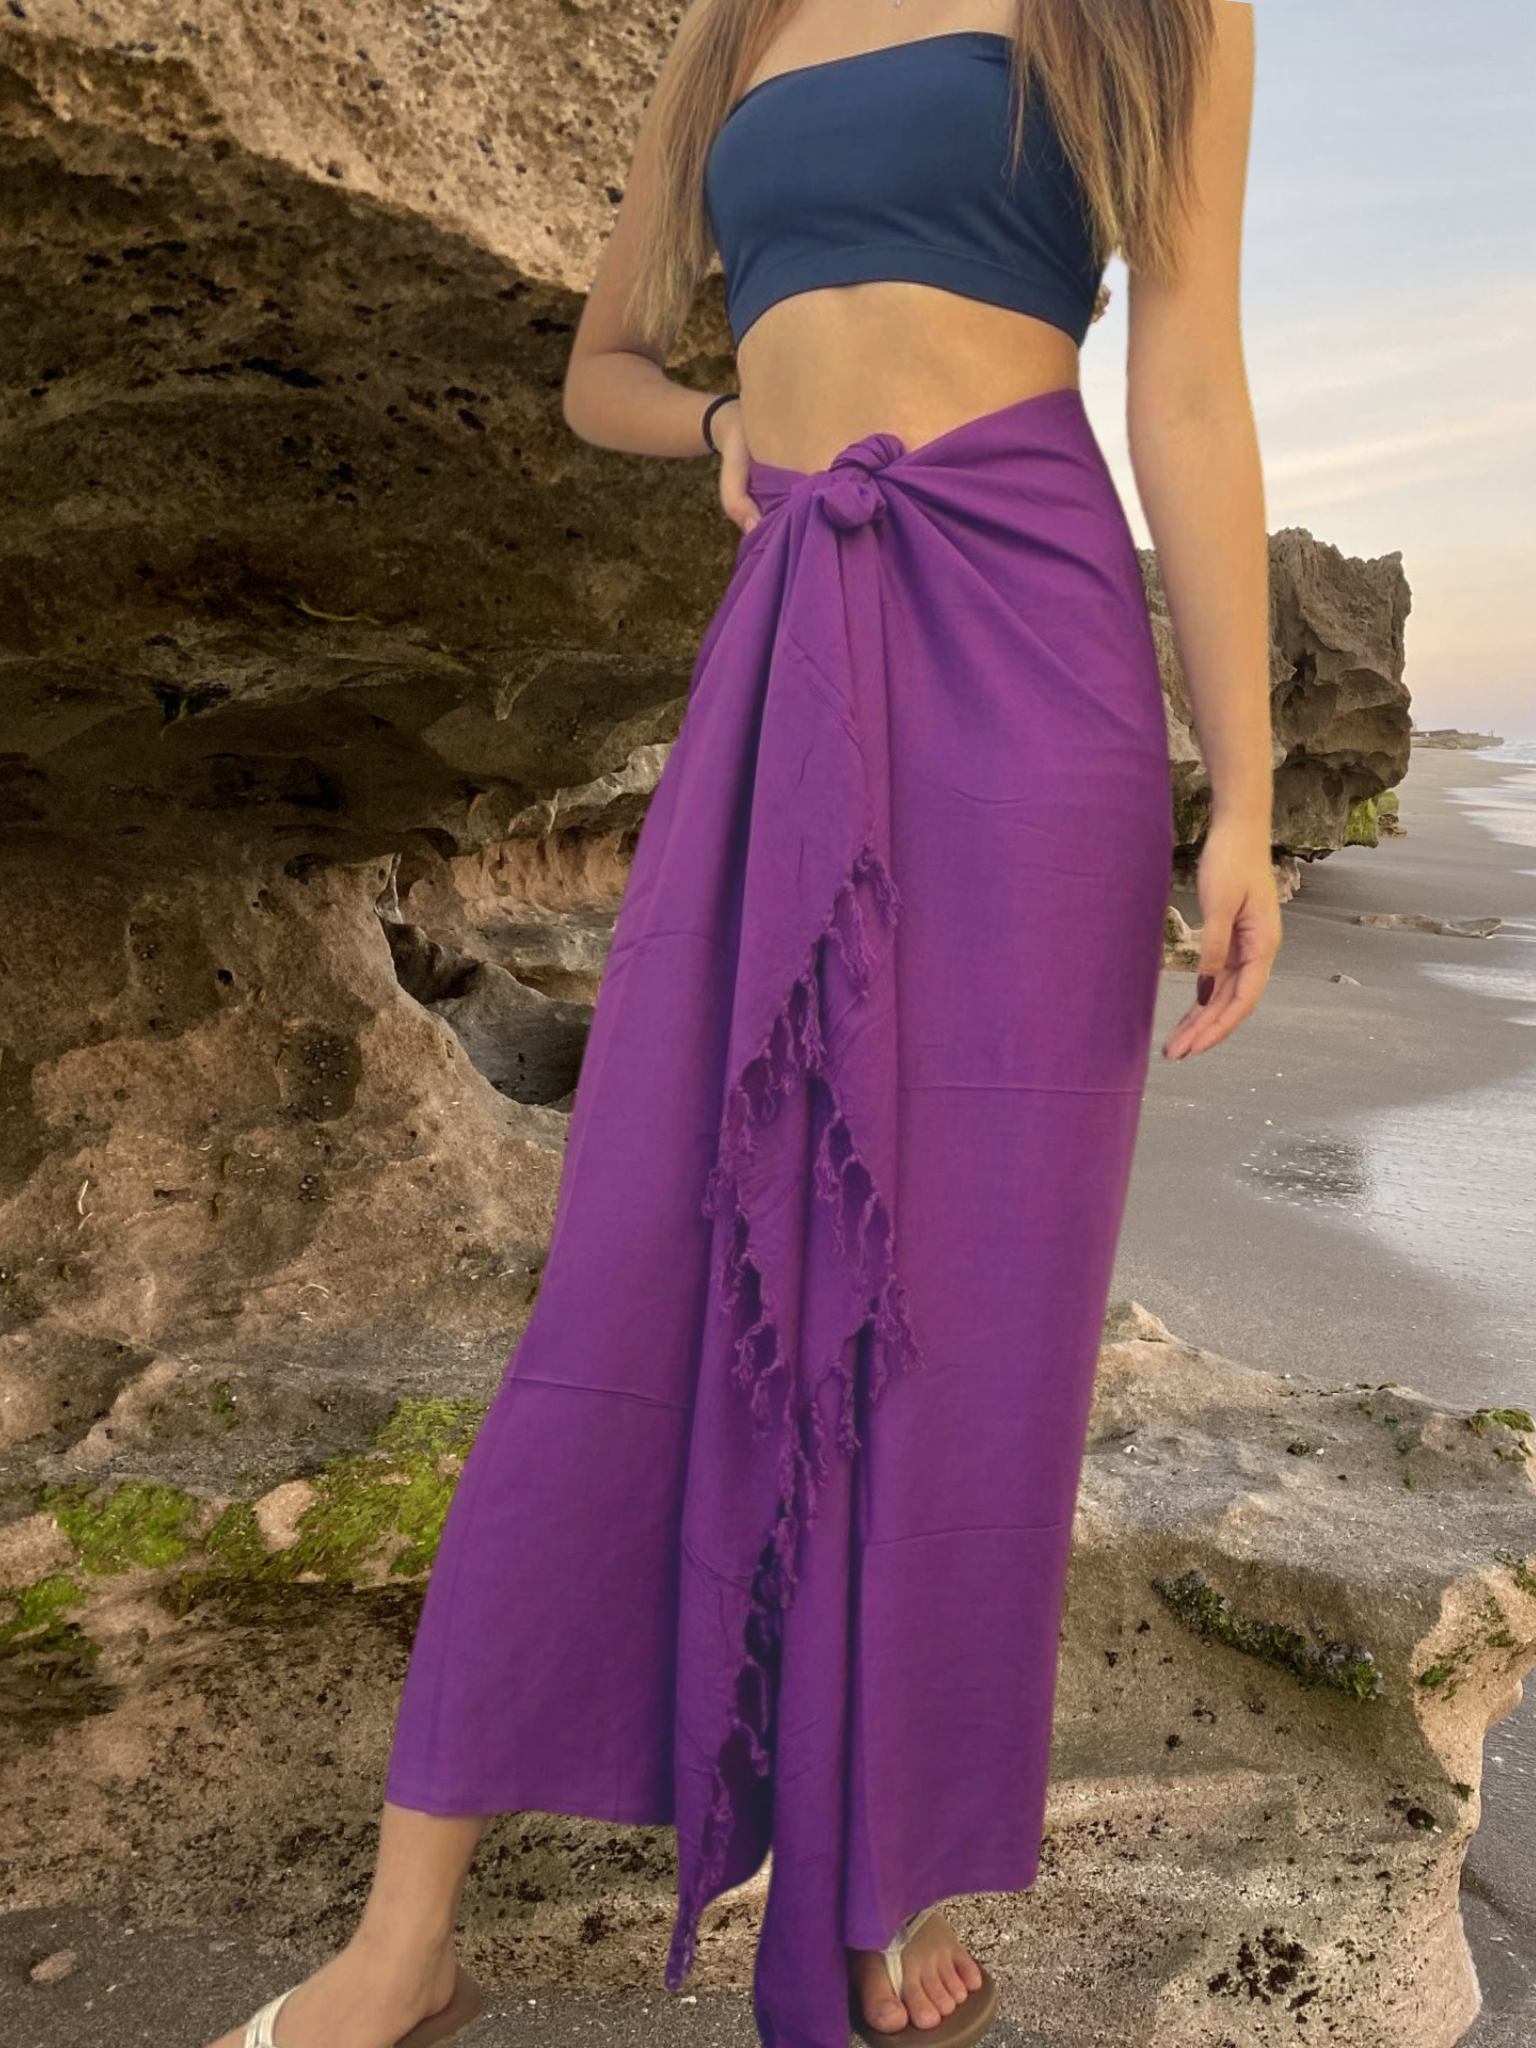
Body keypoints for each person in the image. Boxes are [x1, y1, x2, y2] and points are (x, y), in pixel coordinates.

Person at [215, 3, 1278, 2046]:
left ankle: (867, 1871)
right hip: (792, 640)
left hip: (1035, 652)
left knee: (960, 1300)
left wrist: (1240, 796)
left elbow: (1196, 386)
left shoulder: (1154, 5)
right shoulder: (741, 16)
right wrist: (720, 429)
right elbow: (599, 370)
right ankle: (403, 1929)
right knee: (635, 1256)